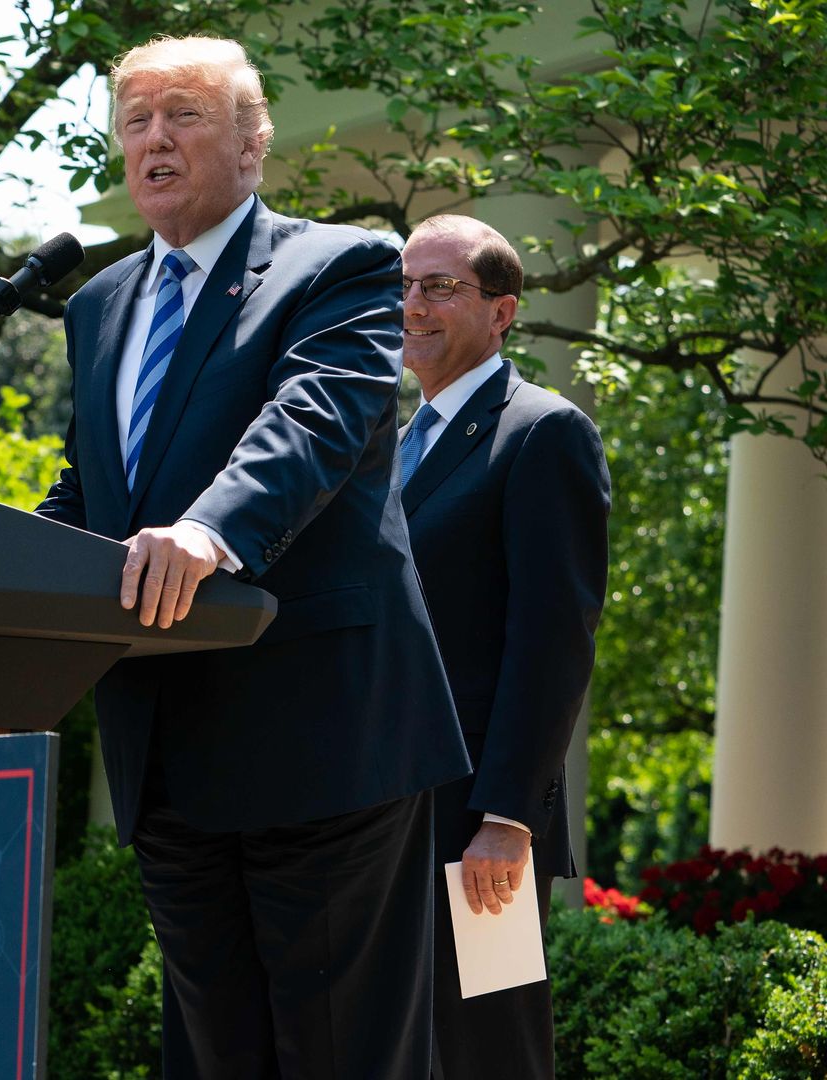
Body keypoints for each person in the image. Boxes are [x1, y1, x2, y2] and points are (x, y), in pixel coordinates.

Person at [35, 35, 470, 1078]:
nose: (154, 140)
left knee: (335, 1055)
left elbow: (313, 421)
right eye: (135, 121)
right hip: (168, 749)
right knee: (215, 1056)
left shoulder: (342, 267)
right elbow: (89, 490)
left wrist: (210, 527)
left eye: (182, 115)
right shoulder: (97, 306)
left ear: (253, 141)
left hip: (319, 737)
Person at [395, 215, 610, 1079]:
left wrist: (508, 819)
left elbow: (553, 641)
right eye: (404, 285)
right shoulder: (384, 441)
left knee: (493, 1055)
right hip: (373, 811)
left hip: (479, 828)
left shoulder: (543, 432)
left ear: (503, 311)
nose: (412, 305)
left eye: (440, 287)